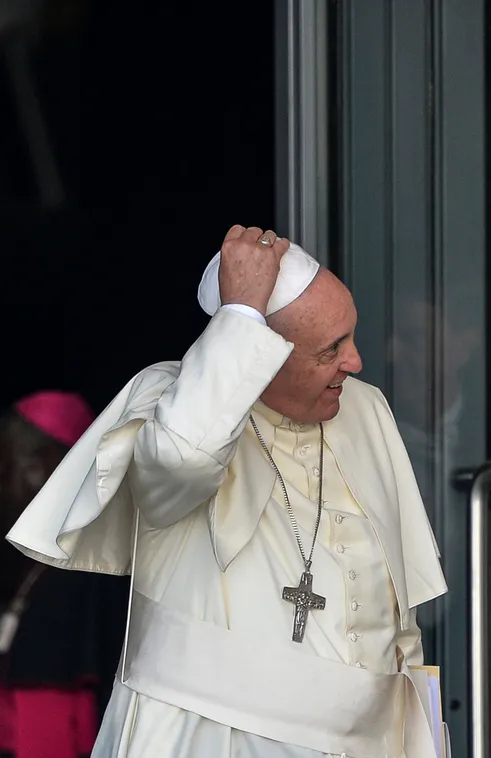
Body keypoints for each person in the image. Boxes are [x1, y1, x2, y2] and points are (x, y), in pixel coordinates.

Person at [7, 226, 449, 757]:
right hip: (217, 738)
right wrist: (241, 315)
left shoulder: (365, 406)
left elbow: (400, 612)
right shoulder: (170, 403)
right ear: (262, 355)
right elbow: (181, 461)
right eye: (331, 349)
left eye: (351, 337)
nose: (354, 362)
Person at [0, 391, 128, 758]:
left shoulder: (84, 574)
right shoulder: (28, 568)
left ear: (40, 467)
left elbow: (49, 727)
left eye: (4, 468)